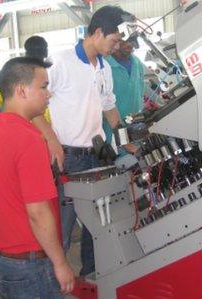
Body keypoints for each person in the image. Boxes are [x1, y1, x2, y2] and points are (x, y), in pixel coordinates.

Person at [32, 5, 135, 276]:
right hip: (69, 157)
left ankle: (92, 276)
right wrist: (52, 140)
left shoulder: (104, 67)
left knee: (96, 226)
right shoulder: (61, 62)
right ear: (98, 32)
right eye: (113, 41)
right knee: (62, 228)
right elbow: (31, 107)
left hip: (97, 154)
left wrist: (125, 141)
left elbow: (109, 108)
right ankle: (50, 281)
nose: (115, 47)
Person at [0, 57, 75, 298]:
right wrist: (60, 263)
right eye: (43, 87)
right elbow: (38, 212)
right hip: (32, 266)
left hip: (5, 264)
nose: (48, 94)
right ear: (22, 90)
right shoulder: (28, 139)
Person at [103, 39, 144, 165]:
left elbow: (140, 95)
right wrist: (123, 140)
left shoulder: (137, 63)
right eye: (126, 40)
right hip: (113, 137)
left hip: (137, 133)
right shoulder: (104, 66)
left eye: (133, 40)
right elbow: (106, 107)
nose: (130, 44)